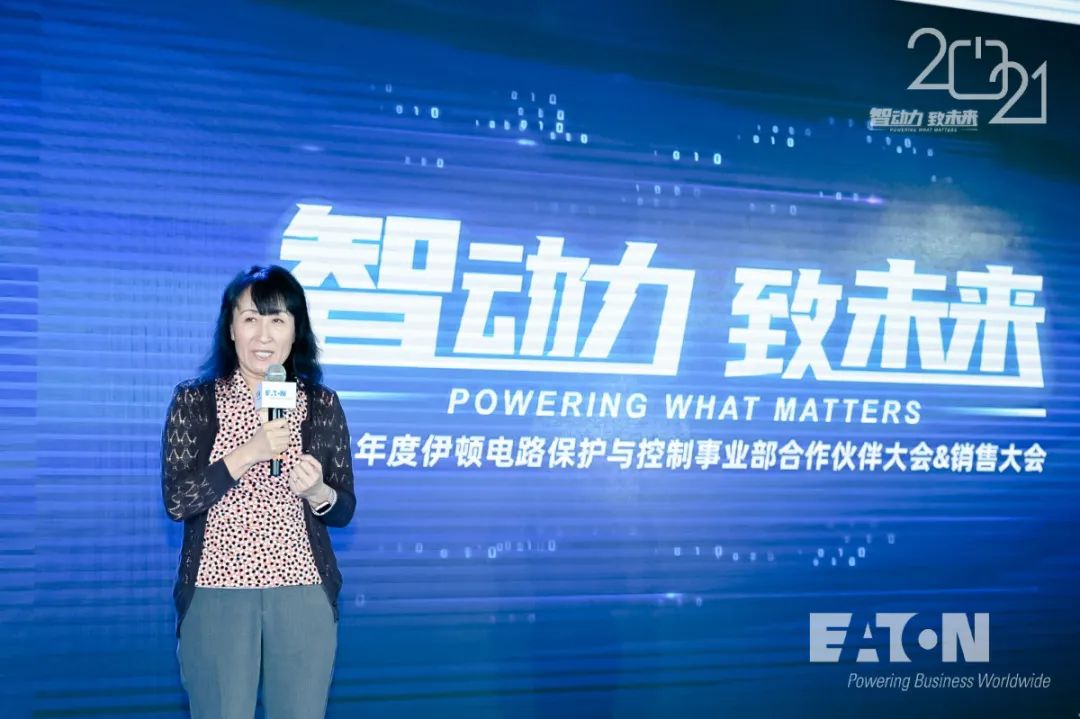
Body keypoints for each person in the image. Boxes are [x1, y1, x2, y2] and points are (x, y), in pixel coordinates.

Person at [161, 265, 356, 719]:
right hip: (217, 590)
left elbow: (343, 506)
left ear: (295, 330)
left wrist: (318, 492)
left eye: (277, 319)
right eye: (250, 318)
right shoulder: (195, 401)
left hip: (302, 590)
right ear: (231, 328)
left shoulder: (321, 404)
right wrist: (250, 451)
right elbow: (177, 500)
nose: (263, 335)